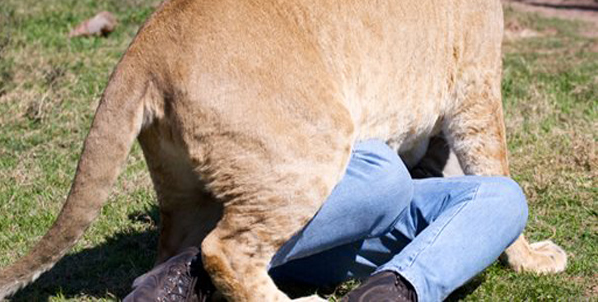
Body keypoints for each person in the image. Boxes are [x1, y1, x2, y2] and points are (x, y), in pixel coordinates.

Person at [123, 140, 529, 302]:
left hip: (356, 227)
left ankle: (388, 295)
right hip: (291, 200)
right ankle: (196, 272)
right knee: (385, 176)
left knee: (505, 198)